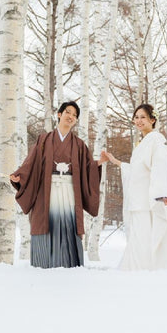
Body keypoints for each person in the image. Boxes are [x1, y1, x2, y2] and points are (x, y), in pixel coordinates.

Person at [101, 104, 167, 271]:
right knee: (139, 237)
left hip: (149, 200)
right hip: (139, 199)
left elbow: (159, 167)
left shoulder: (156, 141)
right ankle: (138, 270)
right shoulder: (142, 144)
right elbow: (139, 171)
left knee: (150, 236)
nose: (138, 120)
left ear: (153, 119)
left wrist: (163, 193)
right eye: (136, 117)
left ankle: (149, 270)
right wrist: (116, 161)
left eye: (143, 117)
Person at [10, 101, 104, 268]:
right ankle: (44, 262)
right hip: (47, 190)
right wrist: (20, 176)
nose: (71, 117)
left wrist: (97, 164)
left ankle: (69, 263)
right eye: (68, 112)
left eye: (75, 115)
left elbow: (87, 168)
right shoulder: (44, 140)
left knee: (69, 223)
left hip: (69, 191)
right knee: (46, 221)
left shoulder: (79, 145)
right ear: (59, 114)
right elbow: (30, 163)